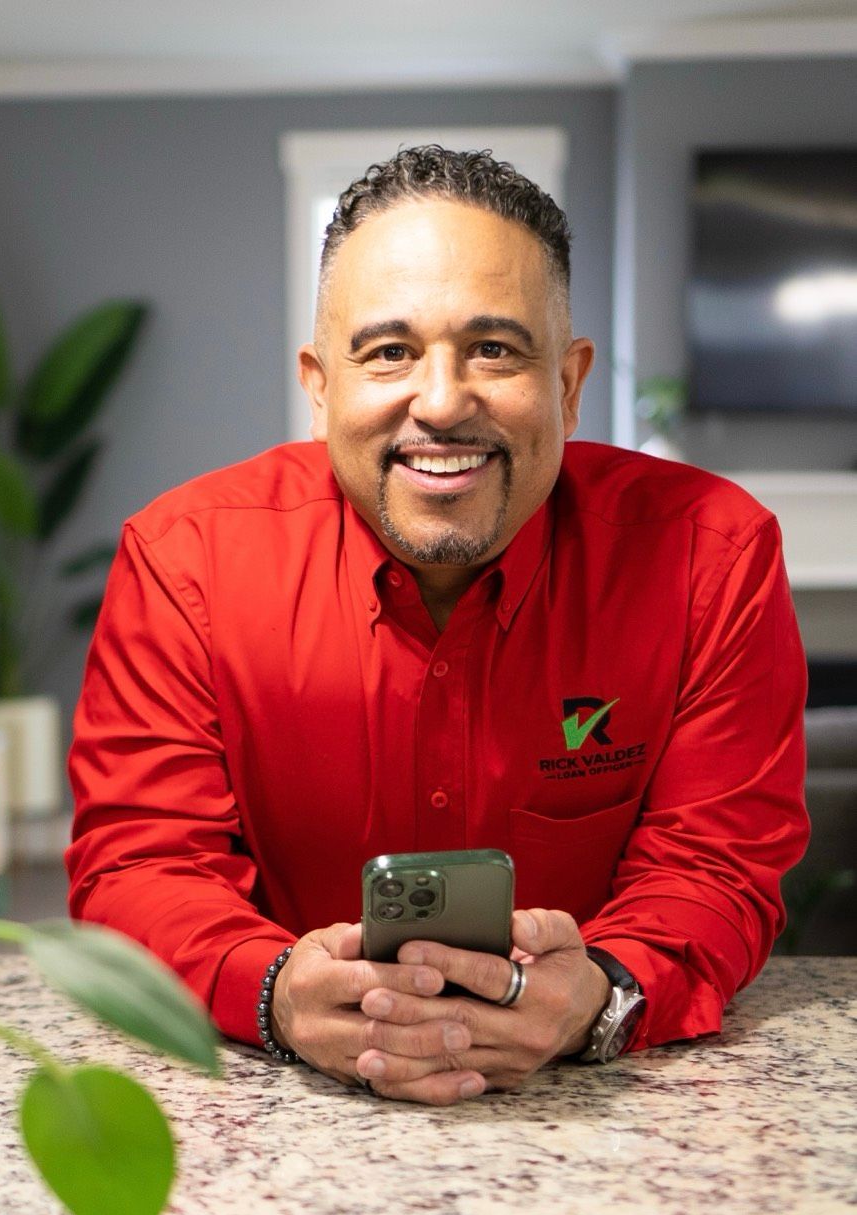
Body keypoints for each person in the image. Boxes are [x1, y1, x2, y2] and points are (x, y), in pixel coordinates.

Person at [66, 146, 809, 1106]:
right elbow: (141, 859)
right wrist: (276, 990)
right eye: (389, 351)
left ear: (570, 383)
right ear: (321, 384)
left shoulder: (713, 554)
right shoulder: (182, 560)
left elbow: (717, 863)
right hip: (280, 1105)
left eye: (495, 348)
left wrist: (602, 994)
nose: (444, 400)